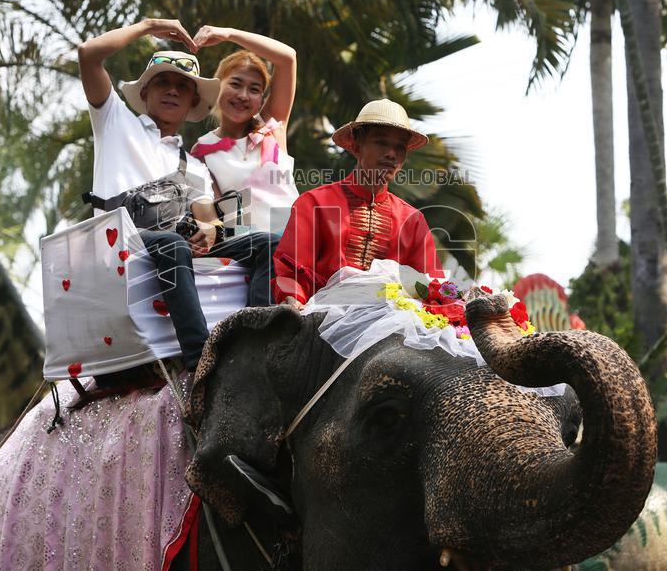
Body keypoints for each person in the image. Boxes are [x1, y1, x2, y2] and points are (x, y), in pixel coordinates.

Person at [78, 19, 274, 372]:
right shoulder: (114, 121)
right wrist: (149, 26)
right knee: (173, 244)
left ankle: (254, 340)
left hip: (171, 242)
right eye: (163, 83)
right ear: (146, 93)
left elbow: (206, 216)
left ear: (192, 101)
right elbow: (88, 56)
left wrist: (211, 228)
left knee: (268, 242)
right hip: (121, 242)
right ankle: (200, 359)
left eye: (182, 87)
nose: (172, 91)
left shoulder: (192, 164)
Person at [272, 99, 444, 310]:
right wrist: (294, 298)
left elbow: (432, 286)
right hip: (319, 319)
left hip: (391, 326)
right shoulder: (314, 203)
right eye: (381, 142)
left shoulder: (413, 220)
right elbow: (292, 271)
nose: (391, 154)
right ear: (357, 145)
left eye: (400, 147)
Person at [189, 26, 299, 235]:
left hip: (297, 248)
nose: (243, 95)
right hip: (246, 255)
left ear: (261, 100)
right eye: (235, 84)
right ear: (217, 87)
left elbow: (288, 58)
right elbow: (214, 218)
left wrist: (229, 34)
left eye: (254, 89)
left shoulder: (273, 126)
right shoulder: (202, 150)